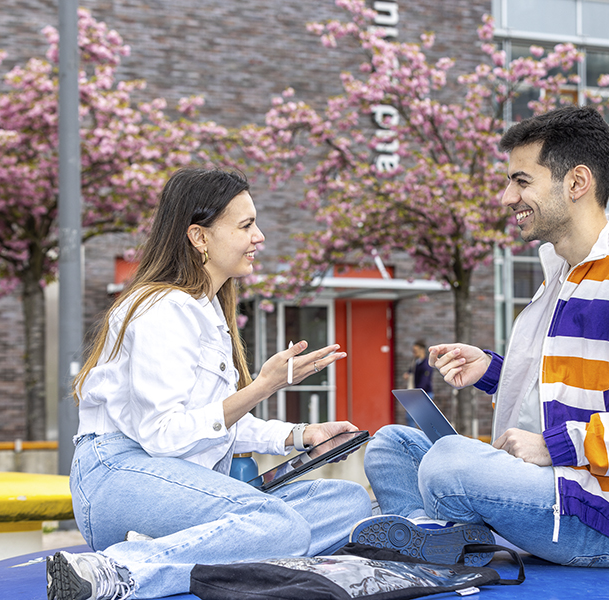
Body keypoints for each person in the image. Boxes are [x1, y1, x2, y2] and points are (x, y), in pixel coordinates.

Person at [352, 106, 609, 568]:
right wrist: (493, 372)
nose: (507, 197)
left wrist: (553, 447)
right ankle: (435, 538)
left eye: (521, 181)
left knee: (449, 465)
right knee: (391, 446)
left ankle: (440, 535)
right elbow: (568, 390)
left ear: (576, 183)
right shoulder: (561, 278)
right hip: (557, 487)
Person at [46, 168, 372, 600]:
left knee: (347, 501)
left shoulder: (207, 309)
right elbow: (165, 435)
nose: (260, 237)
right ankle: (119, 569)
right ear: (199, 237)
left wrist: (301, 435)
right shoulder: (163, 308)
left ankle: (217, 550)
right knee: (279, 524)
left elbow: (211, 420)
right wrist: (262, 386)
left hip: (181, 478)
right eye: (246, 225)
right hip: (118, 475)